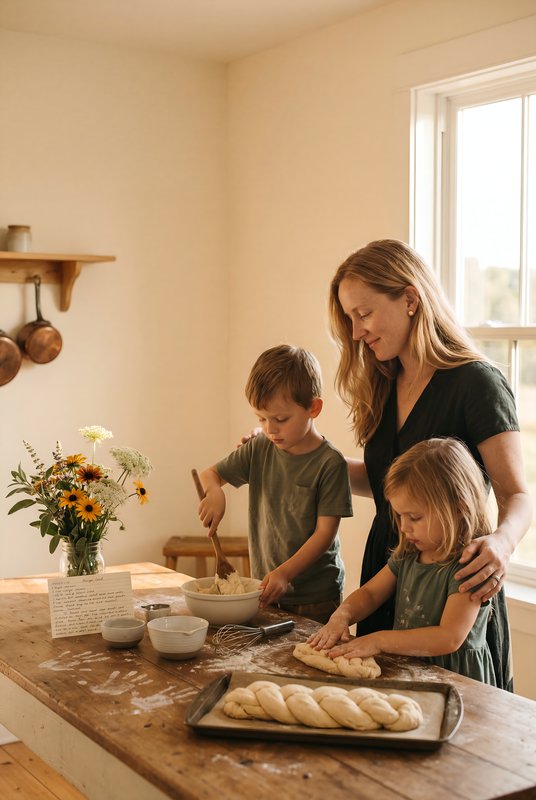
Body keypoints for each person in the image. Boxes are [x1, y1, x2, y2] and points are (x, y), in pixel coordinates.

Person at [328, 238, 532, 690]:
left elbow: (517, 494)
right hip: (389, 571)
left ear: (410, 299)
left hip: (453, 587)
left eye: (364, 313)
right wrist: (304, 452)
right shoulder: (384, 380)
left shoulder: (476, 384)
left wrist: (499, 544)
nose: (357, 331)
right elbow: (383, 484)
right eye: (350, 319)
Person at [308, 438, 497, 685]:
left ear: (458, 509)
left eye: (415, 517)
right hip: (413, 671)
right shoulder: (409, 553)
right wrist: (342, 615)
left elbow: (449, 637)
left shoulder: (470, 566)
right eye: (399, 515)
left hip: (458, 682)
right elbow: (371, 594)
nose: (404, 527)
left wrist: (378, 640)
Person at [197, 344, 353, 624]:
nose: (270, 429)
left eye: (281, 419)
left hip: (316, 597)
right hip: (267, 587)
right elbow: (209, 474)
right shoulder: (259, 448)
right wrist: (215, 491)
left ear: (313, 408)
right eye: (262, 418)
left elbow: (324, 535)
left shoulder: (330, 464)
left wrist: (285, 573)